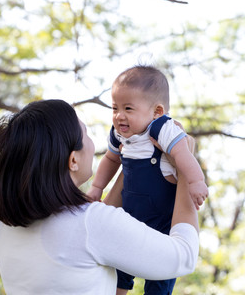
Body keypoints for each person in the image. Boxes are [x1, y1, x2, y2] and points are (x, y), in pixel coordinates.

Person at [0, 99, 199, 295]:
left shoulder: (4, 225)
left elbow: (93, 229)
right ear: (73, 160)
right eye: (85, 134)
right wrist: (184, 169)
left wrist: (136, 159)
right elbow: (184, 256)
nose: (92, 140)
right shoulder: (89, 225)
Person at [86, 65, 208, 295]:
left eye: (128, 108)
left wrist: (195, 182)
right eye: (115, 108)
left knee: (161, 280)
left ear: (156, 111)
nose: (119, 115)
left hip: (162, 222)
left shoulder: (163, 129)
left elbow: (184, 154)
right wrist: (96, 187)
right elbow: (111, 160)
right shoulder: (119, 133)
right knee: (118, 272)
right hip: (129, 218)